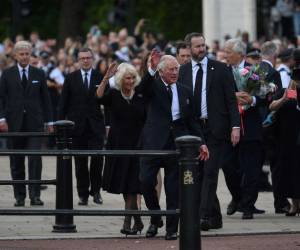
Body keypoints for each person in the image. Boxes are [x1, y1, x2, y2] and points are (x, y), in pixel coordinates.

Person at [139, 51, 209, 240]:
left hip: (177, 142)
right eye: (170, 69)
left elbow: (193, 121)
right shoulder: (153, 86)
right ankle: (155, 218)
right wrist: (151, 69)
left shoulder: (185, 90)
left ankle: (171, 228)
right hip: (154, 141)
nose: (175, 72)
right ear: (161, 72)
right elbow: (141, 90)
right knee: (145, 181)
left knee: (173, 188)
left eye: (176, 68)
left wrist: (201, 143)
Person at [179, 33, 240, 230]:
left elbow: (231, 100)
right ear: (189, 48)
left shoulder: (221, 69)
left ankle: (203, 216)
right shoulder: (183, 71)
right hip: (193, 130)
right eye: (197, 46)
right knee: (197, 174)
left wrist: (235, 126)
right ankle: (215, 216)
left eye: (203, 45)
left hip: (215, 128)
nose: (201, 49)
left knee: (210, 172)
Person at [0, 41, 53, 206]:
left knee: (35, 159)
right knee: (16, 161)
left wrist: (50, 121)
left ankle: (35, 195)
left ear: (30, 55)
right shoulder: (7, 74)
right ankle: (19, 196)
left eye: (27, 54)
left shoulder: (39, 73)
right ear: (15, 55)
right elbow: (1, 98)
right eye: (21, 54)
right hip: (13, 124)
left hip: (34, 123)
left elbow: (46, 99)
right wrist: (2, 119)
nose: (24, 57)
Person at [96, 62, 146, 236]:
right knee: (126, 184)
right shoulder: (114, 94)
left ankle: (127, 223)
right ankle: (138, 220)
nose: (131, 81)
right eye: (127, 78)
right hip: (118, 143)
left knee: (132, 184)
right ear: (120, 79)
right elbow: (98, 97)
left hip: (137, 144)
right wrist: (105, 77)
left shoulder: (140, 94)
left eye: (133, 77)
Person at [58, 47, 105, 206]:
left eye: (88, 58)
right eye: (82, 58)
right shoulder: (71, 78)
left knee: (98, 159)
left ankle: (96, 190)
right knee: (80, 163)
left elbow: (108, 101)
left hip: (96, 126)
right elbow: (63, 103)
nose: (85, 60)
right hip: (77, 127)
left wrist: (109, 123)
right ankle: (83, 194)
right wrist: (59, 124)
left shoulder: (100, 77)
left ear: (93, 59)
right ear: (78, 60)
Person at [269, 68, 300, 216]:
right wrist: (284, 99)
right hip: (286, 139)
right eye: (296, 81)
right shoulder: (284, 92)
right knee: (290, 173)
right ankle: (294, 205)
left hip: (297, 137)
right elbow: (271, 106)